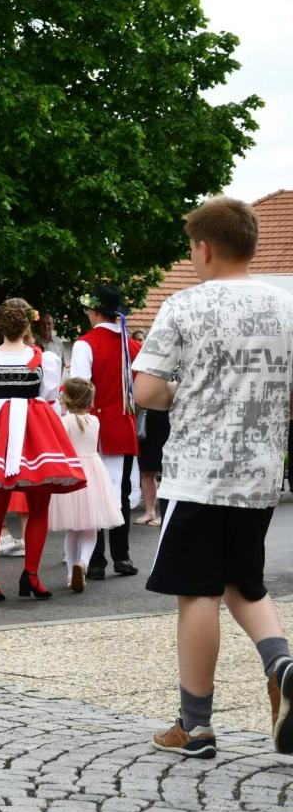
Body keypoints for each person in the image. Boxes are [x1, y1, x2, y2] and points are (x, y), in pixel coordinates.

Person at [132, 196, 293, 758]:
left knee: (197, 589)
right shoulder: (286, 308)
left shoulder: (185, 305)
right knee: (245, 582)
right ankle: (283, 665)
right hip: (260, 473)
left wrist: (188, 391)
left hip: (199, 473)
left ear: (203, 248)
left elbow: (147, 391)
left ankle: (195, 725)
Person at [0, 301, 84, 603]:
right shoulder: (43, 358)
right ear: (27, 326)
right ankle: (30, 575)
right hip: (34, 431)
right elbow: (48, 396)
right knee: (38, 508)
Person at [69, 284, 141, 579]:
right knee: (120, 493)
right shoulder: (132, 345)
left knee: (93, 492)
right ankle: (122, 556)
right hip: (123, 425)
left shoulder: (85, 344)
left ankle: (96, 560)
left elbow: (79, 390)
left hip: (92, 428)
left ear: (96, 312)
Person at [49, 378, 123, 592]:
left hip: (72, 472)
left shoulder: (64, 422)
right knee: (91, 528)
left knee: (72, 531)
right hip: (93, 472)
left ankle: (71, 574)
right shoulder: (95, 421)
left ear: (67, 399)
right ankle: (83, 563)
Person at [134, 408, 170, 526]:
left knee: (168, 472)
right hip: (147, 420)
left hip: (168, 420)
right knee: (146, 470)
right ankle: (150, 513)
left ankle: (165, 515)